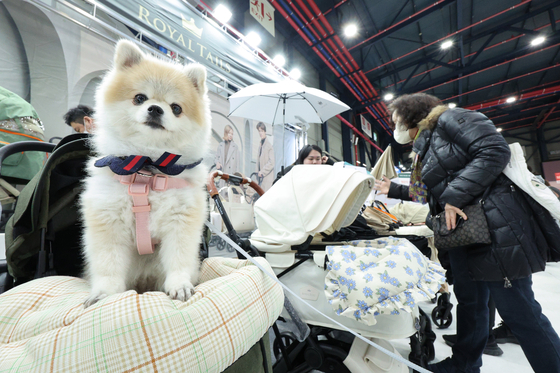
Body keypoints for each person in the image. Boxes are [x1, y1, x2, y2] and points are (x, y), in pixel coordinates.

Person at [374, 93, 560, 373]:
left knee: (520, 312)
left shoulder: (451, 119)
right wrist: (394, 189)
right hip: (464, 234)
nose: (394, 126)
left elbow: (495, 150)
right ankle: (464, 365)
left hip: (495, 231)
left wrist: (454, 197)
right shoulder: (426, 146)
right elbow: (432, 191)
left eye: (396, 120)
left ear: (411, 117)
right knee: (471, 304)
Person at [256, 122, 275, 191]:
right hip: (260, 178)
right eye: (259, 131)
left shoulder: (269, 146)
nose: (260, 133)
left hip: (267, 178)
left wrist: (263, 171)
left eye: (262, 131)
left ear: (265, 132)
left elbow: (272, 162)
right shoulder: (260, 146)